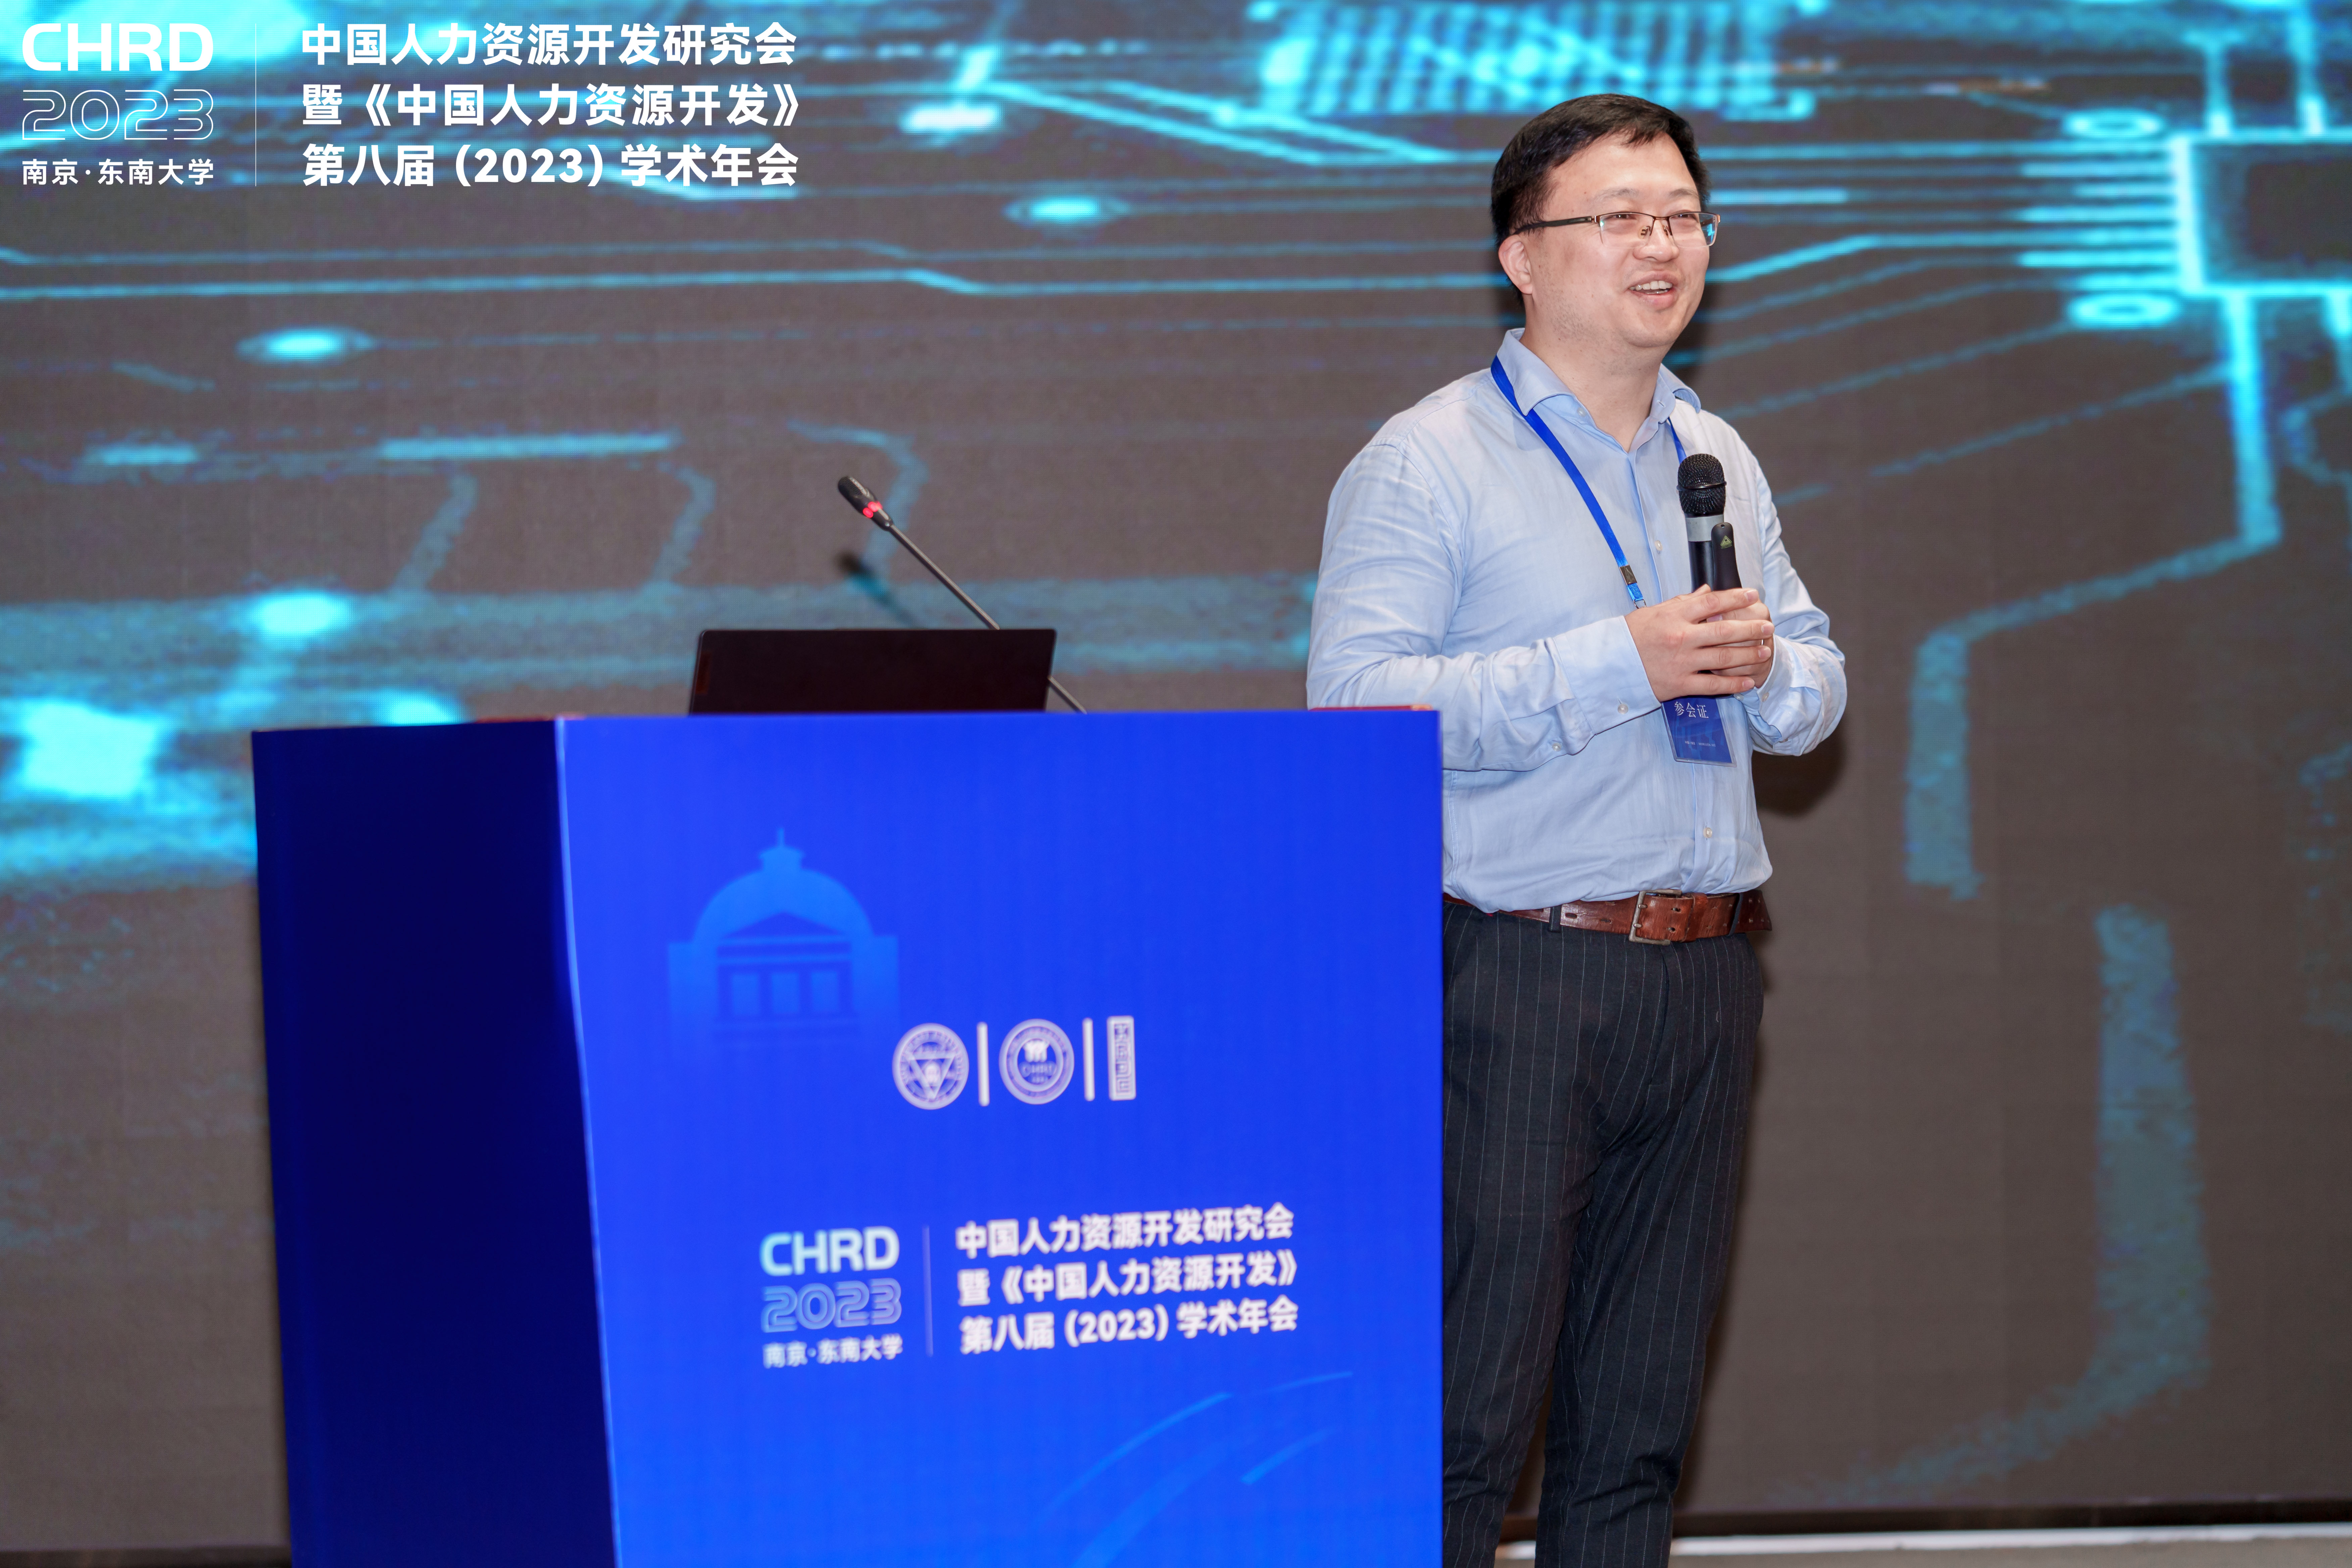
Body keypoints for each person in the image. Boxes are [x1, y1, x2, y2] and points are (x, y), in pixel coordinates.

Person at [1306, 95, 1846, 1566]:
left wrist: (1768, 673)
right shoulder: (1428, 460)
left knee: (1638, 1429)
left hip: (1708, 975)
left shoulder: (1715, 453)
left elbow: (1811, 687)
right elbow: (1356, 708)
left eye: (1683, 218)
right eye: (1621, 218)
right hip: (1518, 978)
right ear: (1523, 258)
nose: (1662, 246)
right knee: (1464, 1420)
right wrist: (1625, 661)